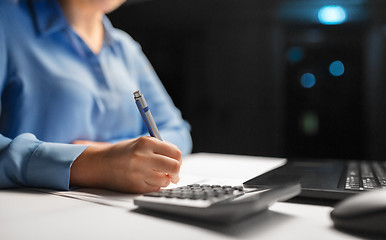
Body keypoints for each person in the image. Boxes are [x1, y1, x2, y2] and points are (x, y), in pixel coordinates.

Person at [0, 0, 192, 193]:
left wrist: (118, 153)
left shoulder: (125, 48)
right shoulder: (6, 20)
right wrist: (92, 163)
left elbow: (177, 131)